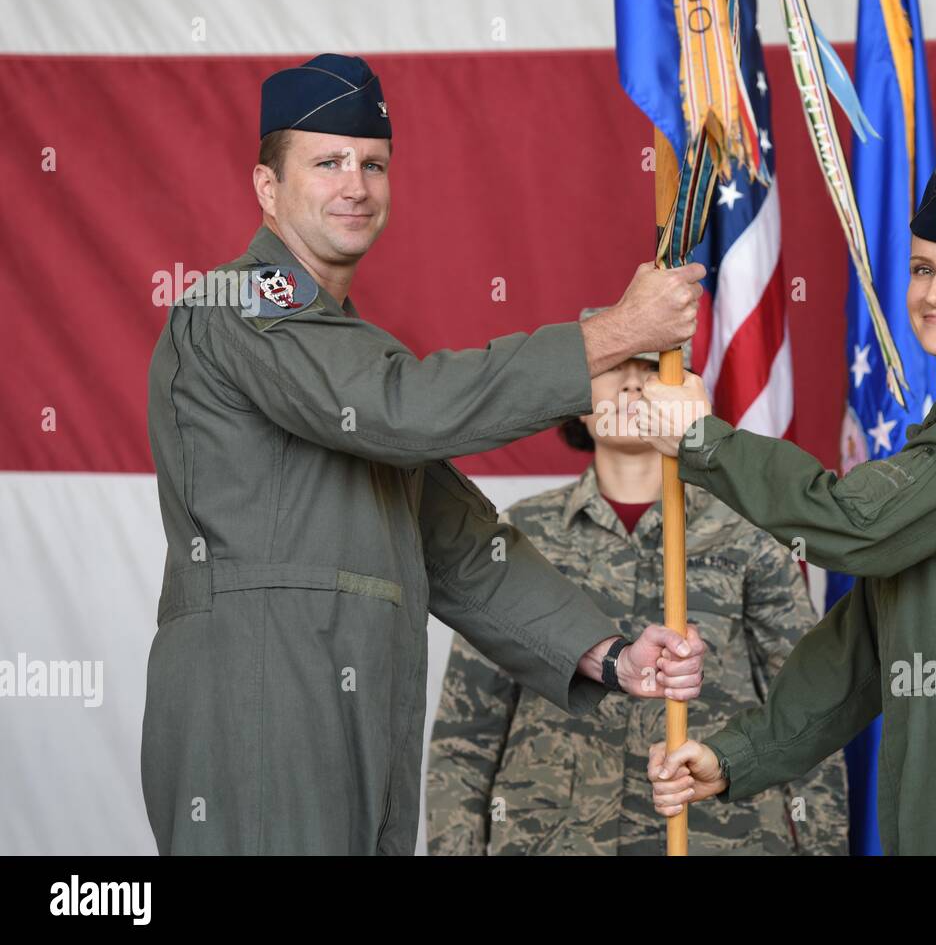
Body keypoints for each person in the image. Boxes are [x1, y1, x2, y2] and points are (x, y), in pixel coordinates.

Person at [143, 53, 709, 855]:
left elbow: (456, 547)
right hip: (260, 710)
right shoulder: (234, 306)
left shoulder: (348, 356)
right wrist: (613, 334)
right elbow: (398, 409)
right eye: (328, 161)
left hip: (358, 712)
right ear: (267, 188)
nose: (356, 185)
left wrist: (604, 649)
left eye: (373, 164)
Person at [636, 156, 936, 855]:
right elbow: (864, 651)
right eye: (925, 269)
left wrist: (699, 441)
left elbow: (853, 524)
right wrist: (737, 754)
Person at [427, 318, 849, 855]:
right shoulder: (521, 534)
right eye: (610, 367)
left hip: (721, 839)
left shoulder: (747, 532)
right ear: (576, 396)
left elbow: (805, 715)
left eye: (650, 367)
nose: (630, 384)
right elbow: (468, 733)